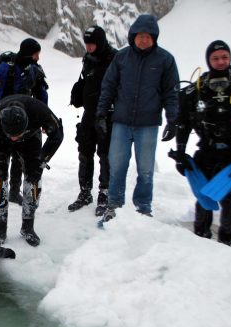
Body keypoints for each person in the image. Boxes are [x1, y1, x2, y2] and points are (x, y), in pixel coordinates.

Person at [169, 40, 231, 245]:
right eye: (215, 58)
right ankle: (200, 236)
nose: (221, 62)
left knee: (230, 198)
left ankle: (226, 240)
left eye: (224, 57)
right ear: (208, 61)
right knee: (204, 195)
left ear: (230, 58)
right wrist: (180, 153)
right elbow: (183, 125)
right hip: (206, 150)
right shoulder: (196, 90)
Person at [96, 14, 179, 221]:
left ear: (154, 38)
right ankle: (114, 204)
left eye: (148, 36)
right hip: (121, 122)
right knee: (117, 166)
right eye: (140, 36)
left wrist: (172, 118)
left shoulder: (165, 60)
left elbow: (171, 92)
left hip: (148, 124)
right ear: (133, 36)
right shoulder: (122, 57)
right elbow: (108, 86)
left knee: (146, 170)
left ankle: (143, 207)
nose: (143, 40)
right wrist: (100, 113)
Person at [0, 38, 49, 214]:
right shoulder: (5, 68)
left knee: (19, 156)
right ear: (29, 53)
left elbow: (41, 95)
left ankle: (14, 191)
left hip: (24, 119)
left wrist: (43, 118)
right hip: (1, 118)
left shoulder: (35, 70)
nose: (38, 57)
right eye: (36, 54)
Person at [0, 95, 64, 247]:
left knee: (33, 179)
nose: (15, 138)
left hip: (30, 139)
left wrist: (43, 159)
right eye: (12, 135)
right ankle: (1, 230)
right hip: (1, 141)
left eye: (17, 134)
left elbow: (57, 135)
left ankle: (28, 227)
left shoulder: (38, 110)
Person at [68, 26, 117, 216]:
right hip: (89, 112)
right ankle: (85, 192)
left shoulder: (114, 58)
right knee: (84, 151)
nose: (88, 47)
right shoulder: (88, 59)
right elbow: (86, 80)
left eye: (92, 44)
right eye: (86, 44)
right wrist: (78, 91)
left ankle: (104, 194)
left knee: (105, 154)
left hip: (107, 113)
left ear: (101, 42)